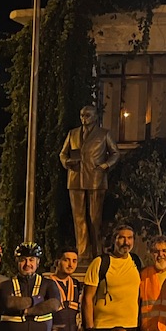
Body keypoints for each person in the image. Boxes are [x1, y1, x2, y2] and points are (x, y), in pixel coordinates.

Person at [59, 103, 121, 258]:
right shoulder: (73, 133)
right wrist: (67, 162)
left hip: (96, 179)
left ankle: (97, 252)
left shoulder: (104, 134)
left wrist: (106, 165)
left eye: (87, 115)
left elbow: (115, 153)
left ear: (95, 117)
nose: (84, 119)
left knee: (95, 218)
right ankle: (82, 253)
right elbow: (63, 154)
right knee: (78, 218)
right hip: (75, 178)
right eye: (82, 115)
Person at [82, 226, 142, 331]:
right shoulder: (100, 263)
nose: (126, 242)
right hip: (104, 327)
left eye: (129, 238)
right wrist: (89, 329)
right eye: (121, 238)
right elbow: (87, 298)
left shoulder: (136, 261)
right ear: (114, 240)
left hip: (131, 327)